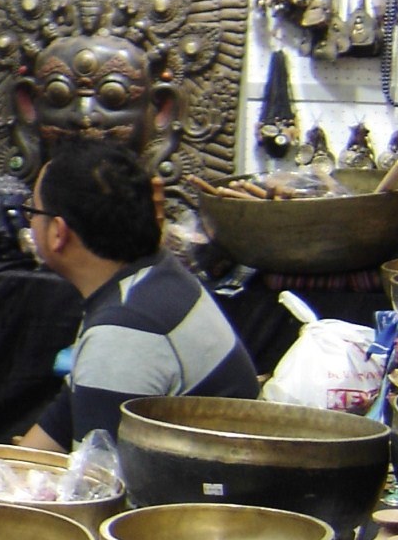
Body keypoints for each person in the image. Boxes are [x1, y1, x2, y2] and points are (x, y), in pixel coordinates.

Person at [16, 141, 257, 452]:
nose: (30, 223)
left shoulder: (123, 331)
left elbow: (97, 475)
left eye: (32, 211)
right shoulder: (156, 274)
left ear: (58, 232)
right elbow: (64, 418)